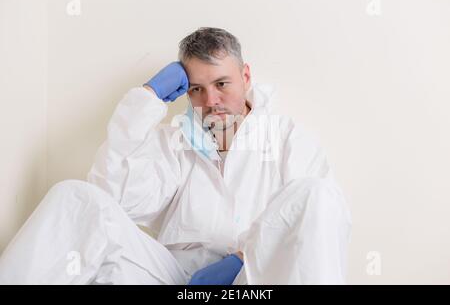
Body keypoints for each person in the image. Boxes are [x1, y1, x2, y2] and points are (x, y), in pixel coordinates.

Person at [0, 27, 352, 285]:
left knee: (317, 194)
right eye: (197, 89)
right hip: (179, 282)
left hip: (256, 283)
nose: (210, 100)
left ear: (245, 76)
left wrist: (242, 259)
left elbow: (319, 222)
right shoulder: (175, 142)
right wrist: (147, 100)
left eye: (222, 84)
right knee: (74, 196)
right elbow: (111, 199)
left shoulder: (287, 138)